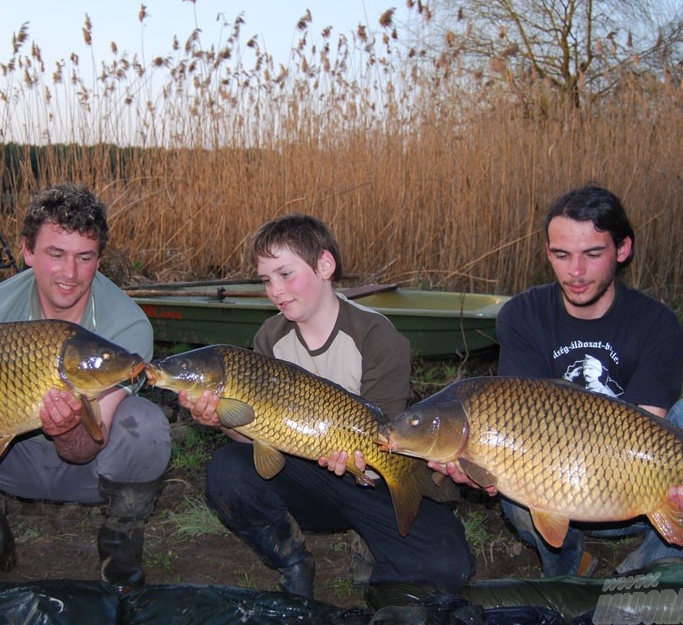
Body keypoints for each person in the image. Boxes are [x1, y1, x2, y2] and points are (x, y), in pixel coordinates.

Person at [181, 214, 474, 598]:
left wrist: (361, 467)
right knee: (226, 471)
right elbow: (254, 432)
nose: (275, 291)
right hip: (304, 475)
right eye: (266, 280)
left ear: (324, 265)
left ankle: (369, 539)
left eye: (286, 274)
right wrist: (220, 418)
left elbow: (386, 434)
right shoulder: (270, 337)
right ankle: (292, 560)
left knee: (448, 566)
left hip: (370, 480)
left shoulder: (377, 336)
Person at [440, 183, 683, 577]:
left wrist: (674, 484)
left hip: (633, 490)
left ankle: (659, 576)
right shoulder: (523, 316)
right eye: (562, 255)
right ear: (548, 254)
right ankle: (570, 567)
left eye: (592, 254)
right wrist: (471, 458)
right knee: (512, 475)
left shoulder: (657, 323)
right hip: (553, 490)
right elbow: (516, 424)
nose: (575, 272)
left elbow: (644, 431)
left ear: (622, 250)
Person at [0, 182, 172, 588]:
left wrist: (67, 428)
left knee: (147, 424)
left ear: (99, 260)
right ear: (28, 252)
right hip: (10, 461)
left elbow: (88, 447)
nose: (70, 274)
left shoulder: (128, 325)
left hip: (90, 470)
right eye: (56, 255)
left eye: (84, 258)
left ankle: (121, 537)